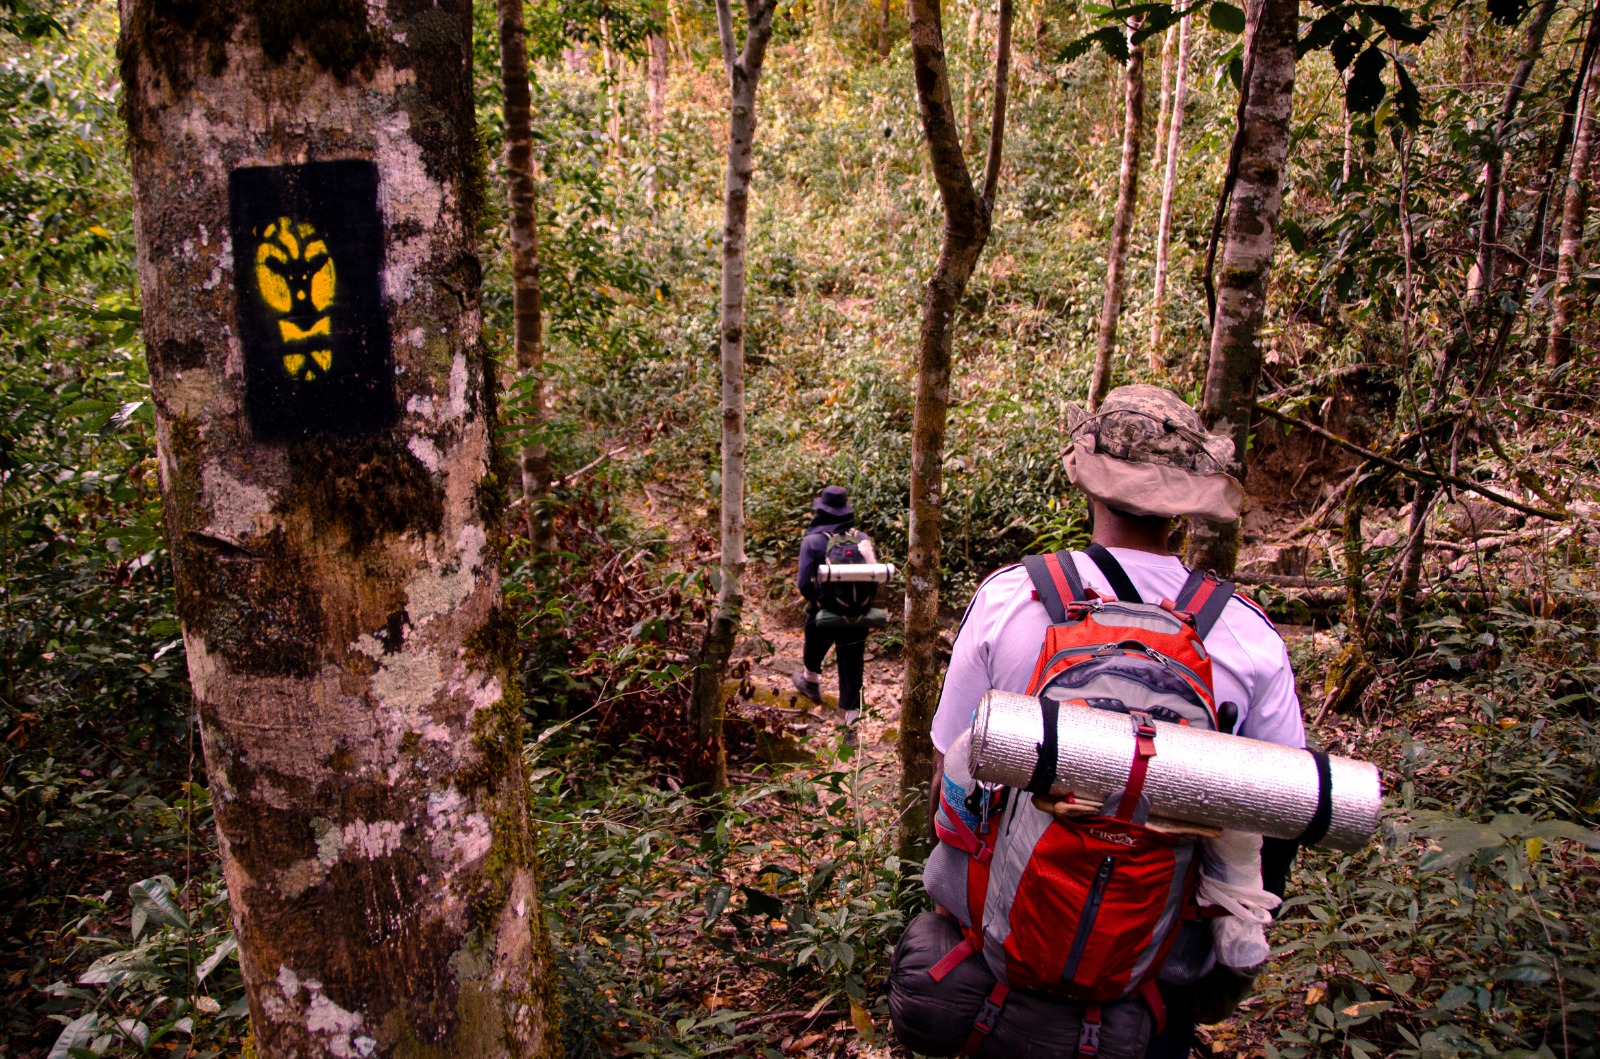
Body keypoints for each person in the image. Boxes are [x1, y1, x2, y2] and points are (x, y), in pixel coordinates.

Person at [927, 384, 1308, 1056]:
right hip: (1150, 989)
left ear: (1085, 477)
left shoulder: (1008, 601)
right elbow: (1279, 820)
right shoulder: (1247, 640)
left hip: (1001, 971)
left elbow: (947, 789)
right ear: (1189, 502)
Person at [793, 485, 877, 740]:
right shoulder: (862, 538)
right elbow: (874, 576)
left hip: (826, 614)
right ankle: (850, 729)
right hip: (859, 615)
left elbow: (803, 584)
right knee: (852, 665)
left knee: (814, 636)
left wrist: (820, 601)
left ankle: (811, 681)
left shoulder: (813, 542)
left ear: (821, 511)